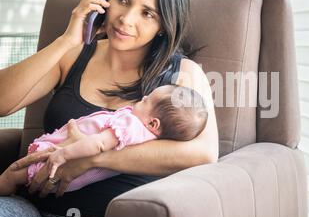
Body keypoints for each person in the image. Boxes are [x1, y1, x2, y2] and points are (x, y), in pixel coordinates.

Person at [0, 0, 218, 217]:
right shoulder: (74, 54)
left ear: (164, 25)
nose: (126, 19)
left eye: (147, 13)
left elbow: (203, 153)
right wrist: (68, 39)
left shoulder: (182, 74)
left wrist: (92, 159)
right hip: (32, 203)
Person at [0, 84, 208, 196]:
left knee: (13, 175)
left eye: (147, 100)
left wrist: (63, 154)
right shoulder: (144, 136)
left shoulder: (130, 126)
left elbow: (98, 143)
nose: (142, 98)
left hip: (59, 162)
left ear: (153, 124)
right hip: (67, 176)